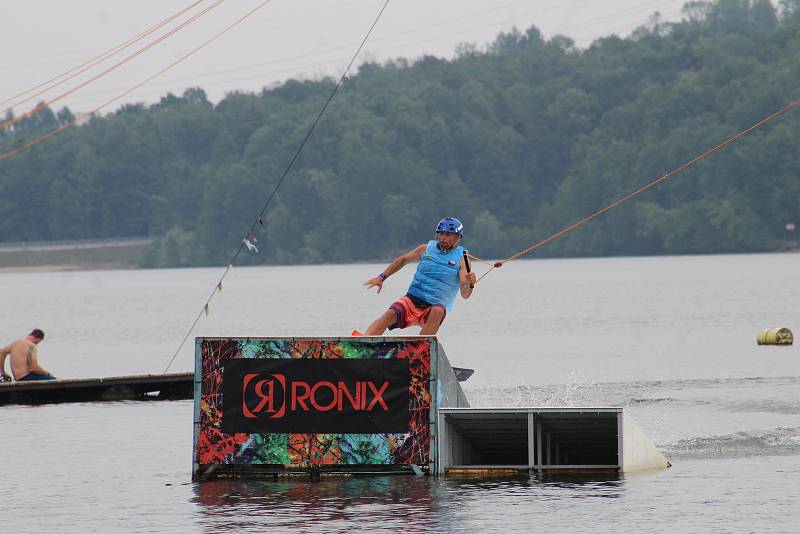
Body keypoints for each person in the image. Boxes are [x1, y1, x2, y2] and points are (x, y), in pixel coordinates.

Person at [362, 217, 477, 335]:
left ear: (458, 237)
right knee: (390, 314)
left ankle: (420, 348)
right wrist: (381, 277)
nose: (443, 238)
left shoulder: (463, 258)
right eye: (441, 234)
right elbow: (403, 260)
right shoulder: (425, 249)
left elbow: (465, 293)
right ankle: (364, 342)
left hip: (433, 308)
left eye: (448, 234)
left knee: (438, 311)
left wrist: (470, 283)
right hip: (412, 299)